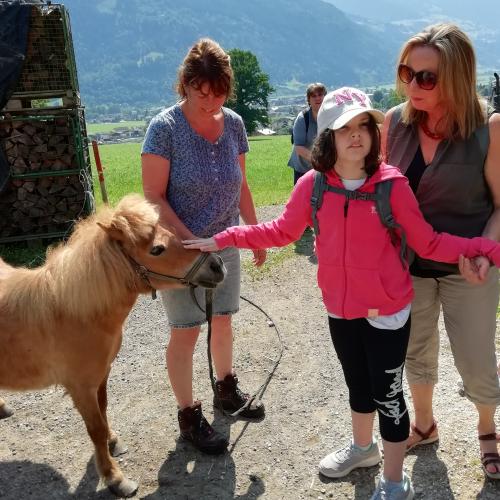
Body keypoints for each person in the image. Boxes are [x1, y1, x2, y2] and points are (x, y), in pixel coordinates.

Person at [184, 86, 500, 499]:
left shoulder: (392, 187)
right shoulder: (314, 187)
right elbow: (280, 231)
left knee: (388, 395)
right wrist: (225, 237)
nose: (355, 135)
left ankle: (392, 479)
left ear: (374, 134)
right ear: (327, 138)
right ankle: (363, 448)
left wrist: (486, 249)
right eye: (342, 127)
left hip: (387, 310)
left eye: (363, 126)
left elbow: (429, 243)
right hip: (341, 308)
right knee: (357, 384)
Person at [382, 23, 500, 479]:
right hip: (409, 267)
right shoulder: (394, 123)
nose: (413, 85)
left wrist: (487, 253)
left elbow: (499, 206)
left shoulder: (489, 129)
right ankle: (425, 425)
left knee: (475, 355)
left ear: (456, 77)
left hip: (470, 266)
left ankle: (487, 429)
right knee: (416, 348)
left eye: (426, 77)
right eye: (407, 73)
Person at [141, 38, 267, 455]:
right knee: (185, 331)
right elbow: (153, 198)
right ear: (186, 83)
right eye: (201, 92)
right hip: (179, 253)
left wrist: (255, 232)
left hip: (225, 242)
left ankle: (225, 391)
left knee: (224, 320)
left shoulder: (233, 123)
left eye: (218, 93)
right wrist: (189, 243)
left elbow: (241, 183)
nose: (210, 101)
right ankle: (188, 414)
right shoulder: (164, 129)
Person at [288, 82, 327, 184]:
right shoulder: (303, 118)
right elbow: (299, 147)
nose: (317, 98)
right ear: (308, 100)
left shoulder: (330, 117)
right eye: (313, 96)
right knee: (302, 198)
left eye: (320, 95)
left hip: (324, 166)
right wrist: (319, 162)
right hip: (303, 166)